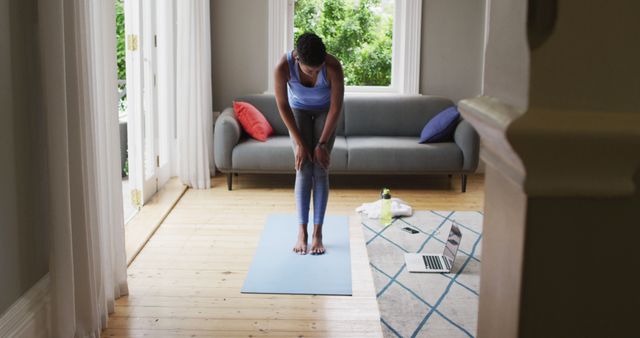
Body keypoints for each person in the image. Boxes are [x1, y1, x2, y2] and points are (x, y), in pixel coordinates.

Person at [274, 32, 345, 255]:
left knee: (320, 168)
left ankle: (318, 233)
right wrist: (300, 143)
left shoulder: (333, 67)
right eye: (309, 71)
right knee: (303, 168)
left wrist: (321, 144)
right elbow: (283, 106)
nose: (314, 74)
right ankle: (302, 232)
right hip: (298, 110)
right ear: (297, 59)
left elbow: (336, 108)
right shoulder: (282, 67)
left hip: (326, 111)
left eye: (318, 69)